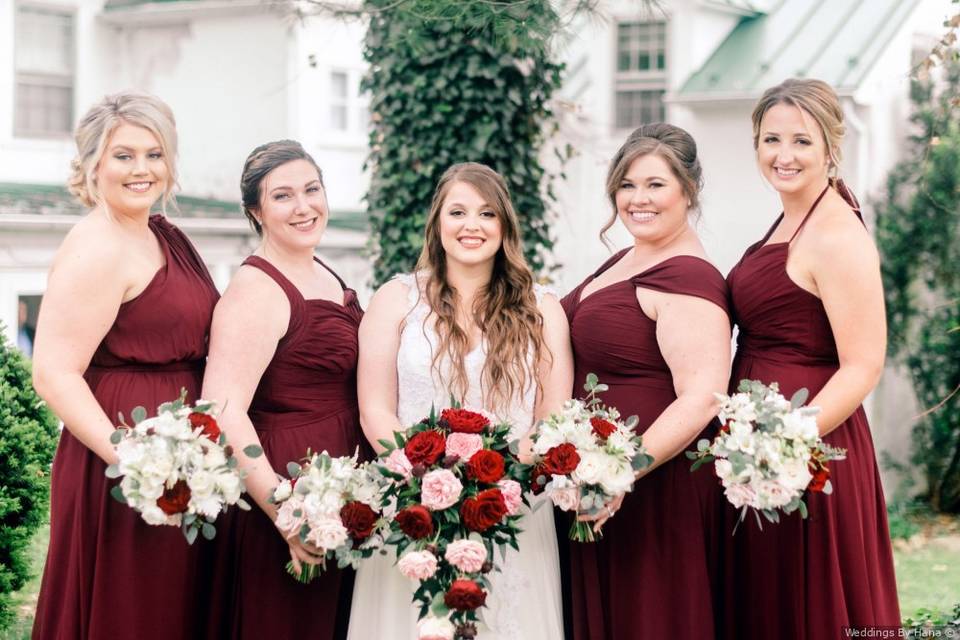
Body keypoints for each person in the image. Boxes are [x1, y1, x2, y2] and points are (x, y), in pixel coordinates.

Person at [347, 162, 572, 640]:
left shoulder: (542, 307)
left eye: (487, 213)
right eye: (458, 212)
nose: (472, 225)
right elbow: (375, 408)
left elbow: (552, 415)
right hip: (412, 506)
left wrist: (500, 482)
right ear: (437, 222)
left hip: (513, 508)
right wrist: (425, 482)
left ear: (505, 225)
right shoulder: (395, 299)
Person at [31, 92, 220, 639]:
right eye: (124, 155)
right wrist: (136, 463)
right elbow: (54, 373)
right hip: (120, 462)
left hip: (184, 455)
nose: (142, 170)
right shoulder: (96, 247)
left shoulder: (164, 234)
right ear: (93, 164)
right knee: (131, 613)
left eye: (155, 154)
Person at [720, 78, 900, 639]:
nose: (784, 155)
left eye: (801, 141)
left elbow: (864, 364)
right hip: (755, 448)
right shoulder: (788, 220)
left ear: (829, 146)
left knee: (809, 603)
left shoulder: (837, 235)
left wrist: (787, 440)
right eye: (771, 139)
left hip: (809, 448)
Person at [559, 123, 731, 640]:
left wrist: (622, 473)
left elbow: (702, 397)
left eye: (656, 184)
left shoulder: (689, 278)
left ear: (688, 189)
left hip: (655, 487)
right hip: (600, 480)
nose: (639, 199)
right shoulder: (629, 259)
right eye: (627, 184)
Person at [201, 140, 366, 639]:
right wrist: (285, 512)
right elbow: (223, 409)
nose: (304, 207)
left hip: (340, 491)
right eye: (283, 196)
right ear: (255, 210)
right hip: (287, 489)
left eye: (312, 190)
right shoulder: (254, 291)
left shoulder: (322, 270)